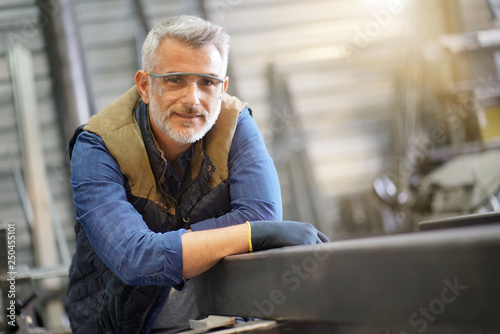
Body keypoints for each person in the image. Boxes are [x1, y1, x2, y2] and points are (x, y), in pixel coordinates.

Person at [66, 15, 328, 334]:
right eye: (175, 80)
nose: (193, 100)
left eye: (207, 82)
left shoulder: (235, 122)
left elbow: (260, 214)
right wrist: (251, 235)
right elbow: (134, 257)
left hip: (220, 320)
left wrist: (157, 251)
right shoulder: (97, 145)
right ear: (146, 85)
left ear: (223, 87)